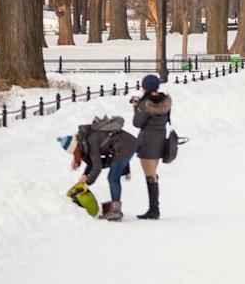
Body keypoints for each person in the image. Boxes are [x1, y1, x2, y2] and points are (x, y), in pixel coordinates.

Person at [60, 116, 138, 221]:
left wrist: (87, 182)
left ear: (76, 147)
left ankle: (116, 211)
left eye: (74, 152)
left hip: (125, 147)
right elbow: (93, 161)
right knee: (112, 177)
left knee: (113, 178)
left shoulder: (91, 141)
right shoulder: (85, 139)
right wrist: (85, 174)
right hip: (123, 144)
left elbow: (97, 167)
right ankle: (115, 209)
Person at [130, 74, 172, 220]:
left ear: (146, 87)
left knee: (150, 176)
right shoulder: (165, 102)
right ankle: (154, 208)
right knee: (153, 173)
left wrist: (136, 108)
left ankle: (154, 209)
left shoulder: (145, 104)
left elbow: (137, 123)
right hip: (160, 140)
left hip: (147, 142)